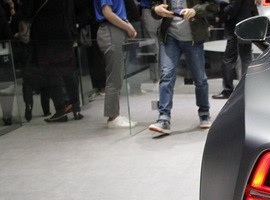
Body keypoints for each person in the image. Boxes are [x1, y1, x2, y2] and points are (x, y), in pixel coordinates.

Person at [148, 0, 218, 135]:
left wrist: (195, 10)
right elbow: (154, 7)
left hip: (193, 37)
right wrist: (156, 9)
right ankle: (164, 118)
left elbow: (213, 5)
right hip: (169, 37)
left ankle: (204, 113)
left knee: (200, 78)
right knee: (166, 75)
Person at [23, 0, 81, 123]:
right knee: (68, 70)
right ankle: (76, 108)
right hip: (64, 32)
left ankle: (60, 110)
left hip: (44, 36)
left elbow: (27, 11)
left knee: (52, 73)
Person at [94, 0, 138, 128]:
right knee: (114, 76)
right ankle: (113, 117)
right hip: (110, 29)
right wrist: (128, 27)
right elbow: (107, 12)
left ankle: (115, 114)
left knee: (117, 75)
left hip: (116, 29)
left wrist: (127, 25)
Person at [211, 0, 256, 100]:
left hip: (236, 26)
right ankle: (247, 89)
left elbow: (232, 8)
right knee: (246, 58)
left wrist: (221, 9)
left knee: (229, 59)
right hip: (246, 24)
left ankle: (228, 90)